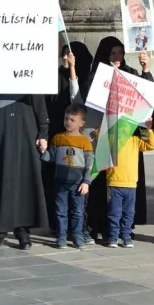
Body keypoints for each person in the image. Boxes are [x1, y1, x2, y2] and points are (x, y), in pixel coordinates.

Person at [83, 37, 154, 241]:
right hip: (105, 134)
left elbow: (146, 97)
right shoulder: (96, 75)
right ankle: (99, 223)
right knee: (103, 181)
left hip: (127, 136)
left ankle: (125, 225)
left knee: (127, 183)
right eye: (113, 53)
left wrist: (145, 69)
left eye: (120, 53)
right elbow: (90, 98)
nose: (117, 57)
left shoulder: (130, 73)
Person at [0, 92, 50, 250]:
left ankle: (22, 230)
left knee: (23, 178)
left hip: (24, 125)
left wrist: (43, 132)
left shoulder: (29, 69)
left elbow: (38, 99)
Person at [44, 42, 92, 238]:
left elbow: (77, 100)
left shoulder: (85, 80)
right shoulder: (52, 77)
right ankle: (58, 226)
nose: (65, 58)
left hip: (79, 141)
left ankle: (79, 228)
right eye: (63, 54)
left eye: (69, 55)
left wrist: (73, 70)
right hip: (57, 138)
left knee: (79, 189)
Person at [41, 104, 94, 249]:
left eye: (72, 120)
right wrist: (43, 151)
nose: (68, 122)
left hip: (78, 184)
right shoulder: (58, 138)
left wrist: (86, 182)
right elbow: (50, 157)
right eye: (66, 118)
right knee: (60, 211)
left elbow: (90, 164)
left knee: (78, 212)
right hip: (60, 183)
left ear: (81, 123)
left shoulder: (85, 142)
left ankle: (77, 236)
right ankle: (61, 236)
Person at [105, 120, 154, 248]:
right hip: (113, 183)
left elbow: (151, 145)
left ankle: (126, 236)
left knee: (129, 213)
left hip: (131, 184)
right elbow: (99, 144)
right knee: (114, 213)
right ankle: (113, 237)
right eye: (121, 126)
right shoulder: (111, 139)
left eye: (127, 127)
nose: (123, 130)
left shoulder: (135, 140)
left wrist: (147, 129)